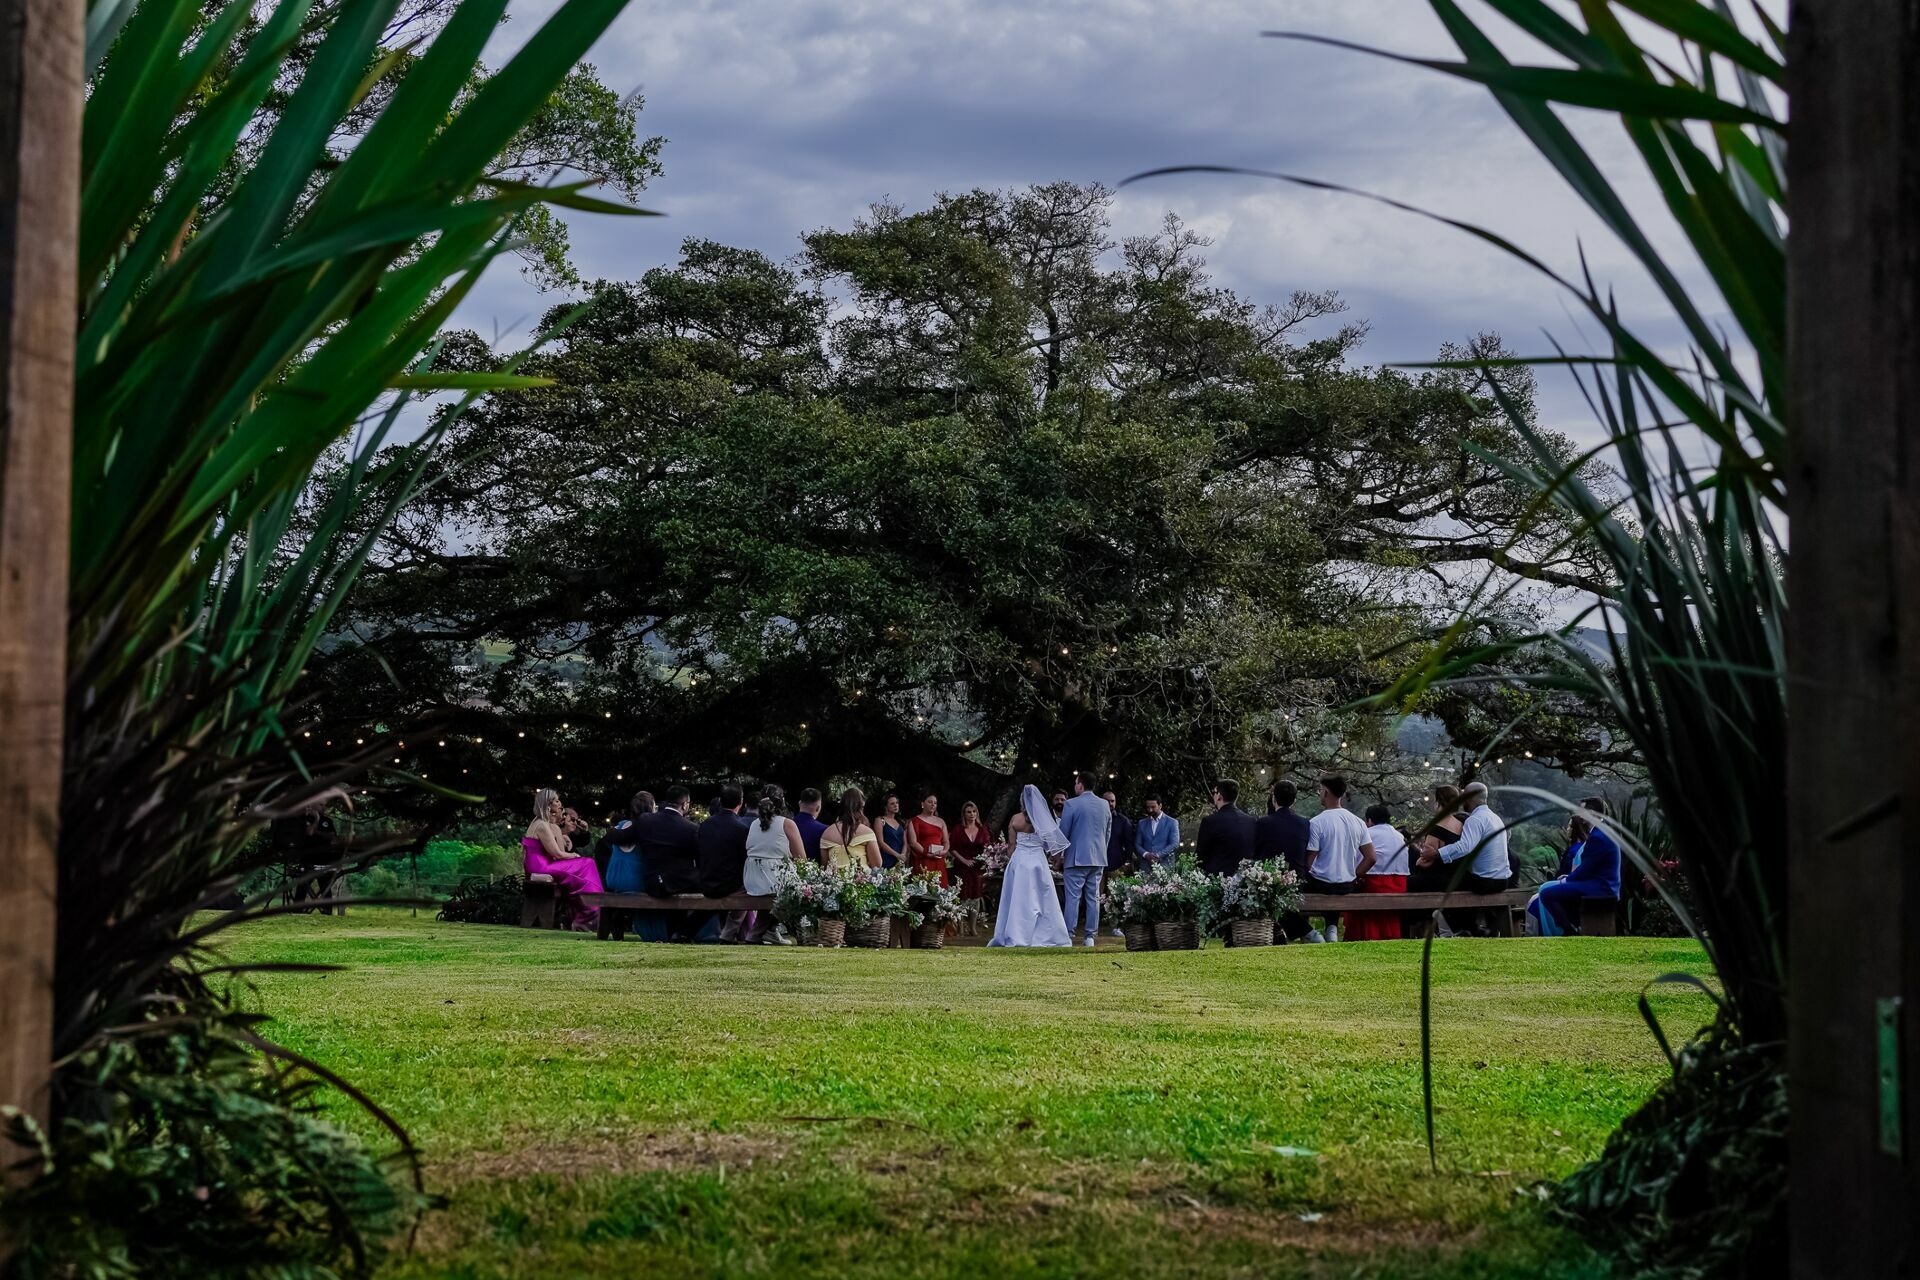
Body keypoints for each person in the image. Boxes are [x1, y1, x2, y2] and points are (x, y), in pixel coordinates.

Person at [1413, 782, 1513, 934]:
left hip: (1486, 881)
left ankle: (1463, 928)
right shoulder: (1495, 818)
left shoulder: (1475, 820)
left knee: (1445, 880)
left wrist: (1436, 854)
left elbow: (1465, 846)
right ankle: (1467, 926)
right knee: (1452, 878)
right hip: (1503, 879)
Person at [988, 784, 1073, 947]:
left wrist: (1010, 861)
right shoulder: (1044, 820)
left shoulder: (1015, 819)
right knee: (1042, 899)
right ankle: (1046, 934)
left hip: (1019, 862)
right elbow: (1053, 845)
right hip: (1038, 862)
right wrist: (1056, 860)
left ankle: (1016, 934)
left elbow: (1011, 846)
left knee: (1017, 899)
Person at [1528, 798, 1623, 936]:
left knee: (1547, 894)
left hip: (1601, 887)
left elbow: (1586, 868)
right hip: (1603, 884)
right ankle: (1572, 927)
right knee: (1558, 892)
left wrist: (1567, 880)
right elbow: (1588, 866)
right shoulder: (1602, 831)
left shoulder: (1598, 836)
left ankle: (1570, 932)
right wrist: (1569, 877)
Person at [1303, 774, 1374, 944]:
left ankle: (1310, 933)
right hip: (1347, 884)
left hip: (1322, 884)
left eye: (1320, 790)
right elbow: (1371, 858)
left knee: (1310, 880)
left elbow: (1308, 862)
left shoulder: (1316, 822)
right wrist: (1355, 874)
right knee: (1334, 881)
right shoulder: (1357, 822)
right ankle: (1332, 928)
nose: (1319, 794)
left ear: (1326, 792)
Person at [523, 788, 603, 932]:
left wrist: (559, 831)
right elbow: (558, 854)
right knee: (587, 863)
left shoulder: (545, 824)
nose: (560, 804)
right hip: (541, 867)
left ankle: (588, 912)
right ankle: (591, 912)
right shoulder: (541, 825)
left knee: (586, 865)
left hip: (543, 864)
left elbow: (557, 851)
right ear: (549, 805)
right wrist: (575, 856)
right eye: (557, 801)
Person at [742, 784, 806, 943]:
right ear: (782, 801)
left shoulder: (754, 824)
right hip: (773, 878)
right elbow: (802, 858)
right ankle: (798, 933)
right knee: (803, 889)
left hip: (752, 878)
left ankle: (762, 932)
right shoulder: (787, 823)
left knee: (780, 892)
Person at [1058, 772, 1112, 947]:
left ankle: (1068, 934)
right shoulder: (1105, 805)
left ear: (1080, 785)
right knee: (1093, 897)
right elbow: (1107, 833)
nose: (1075, 787)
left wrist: (1058, 855)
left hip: (1076, 858)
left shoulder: (1071, 804)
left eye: (1076, 783)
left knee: (1073, 898)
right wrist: (1101, 849)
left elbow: (1063, 833)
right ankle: (1090, 936)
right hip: (1098, 858)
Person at [605, 791, 667, 942]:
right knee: (658, 890)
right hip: (634, 879)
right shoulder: (648, 829)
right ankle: (656, 934)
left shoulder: (621, 826)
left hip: (614, 876)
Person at [1255, 780, 1313, 939]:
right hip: (1297, 879)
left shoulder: (1263, 823)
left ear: (1274, 798)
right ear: (1294, 800)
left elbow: (1256, 851)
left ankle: (1306, 933)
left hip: (1268, 880)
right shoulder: (1304, 823)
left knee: (1268, 896)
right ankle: (1286, 934)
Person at [1347, 802, 1409, 941]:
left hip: (1375, 884)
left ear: (1369, 820)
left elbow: (1357, 860)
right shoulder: (1399, 836)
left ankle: (1361, 935)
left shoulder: (1368, 833)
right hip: (1399, 884)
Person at [698, 783, 752, 942]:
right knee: (750, 889)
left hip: (706, 880)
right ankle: (731, 933)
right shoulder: (741, 828)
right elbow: (744, 861)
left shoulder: (705, 825)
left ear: (720, 801)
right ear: (740, 803)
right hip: (730, 884)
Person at [1194, 778, 1256, 877]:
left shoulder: (1210, 821)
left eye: (1214, 792)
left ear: (1219, 796)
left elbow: (1200, 856)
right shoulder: (1251, 821)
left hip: (1217, 879)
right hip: (1244, 879)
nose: (1213, 795)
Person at [820, 787, 881, 873]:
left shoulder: (826, 833)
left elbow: (824, 866)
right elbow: (877, 865)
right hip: (861, 883)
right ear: (861, 805)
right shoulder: (867, 832)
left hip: (835, 883)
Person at [948, 799, 992, 904]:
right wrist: (964, 860)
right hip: (962, 866)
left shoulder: (983, 829)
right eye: (969, 812)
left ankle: (973, 920)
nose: (972, 814)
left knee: (976, 896)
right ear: (964, 814)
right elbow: (952, 848)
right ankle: (961, 919)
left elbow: (988, 847)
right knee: (961, 894)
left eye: (974, 811)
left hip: (977, 867)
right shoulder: (958, 829)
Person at [907, 791, 951, 885]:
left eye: (935, 803)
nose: (933, 805)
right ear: (922, 804)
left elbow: (946, 841)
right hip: (923, 858)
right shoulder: (914, 821)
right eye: (930, 802)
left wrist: (944, 851)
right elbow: (913, 842)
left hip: (938, 858)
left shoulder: (941, 821)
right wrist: (927, 853)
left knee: (939, 888)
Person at [1135, 795, 1180, 869]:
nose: (1150, 810)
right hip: (1145, 866)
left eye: (1153, 807)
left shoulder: (1172, 822)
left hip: (1165, 866)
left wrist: (1158, 855)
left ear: (1160, 806)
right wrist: (1146, 854)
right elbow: (1137, 844)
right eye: (1148, 807)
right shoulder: (1141, 823)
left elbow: (1174, 843)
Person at [1102, 789, 1136, 874]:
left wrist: (1126, 863)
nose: (1110, 804)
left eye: (1112, 801)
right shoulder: (1095, 820)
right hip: (1097, 864)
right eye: (1107, 801)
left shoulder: (1123, 821)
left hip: (1116, 865)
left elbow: (1129, 844)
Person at [792, 787, 828, 864]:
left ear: (799, 804)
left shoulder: (786, 826)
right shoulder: (824, 829)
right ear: (818, 808)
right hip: (813, 872)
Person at [876, 793, 908, 869]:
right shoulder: (880, 820)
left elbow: (905, 842)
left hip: (900, 860)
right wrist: (897, 855)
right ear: (886, 806)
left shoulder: (900, 822)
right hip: (887, 857)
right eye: (892, 804)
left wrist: (902, 855)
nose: (895, 805)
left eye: (897, 803)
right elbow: (881, 842)